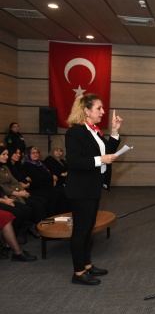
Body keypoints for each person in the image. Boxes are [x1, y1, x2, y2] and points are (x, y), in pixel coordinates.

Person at [65, 93, 122, 286]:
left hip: (92, 187)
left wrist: (114, 131)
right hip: (80, 189)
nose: (103, 112)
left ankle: (87, 265)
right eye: (99, 108)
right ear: (86, 111)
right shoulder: (75, 132)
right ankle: (78, 272)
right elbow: (73, 161)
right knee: (80, 231)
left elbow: (107, 151)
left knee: (89, 229)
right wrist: (100, 160)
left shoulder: (94, 131)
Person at [23, 146, 68, 215]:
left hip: (46, 185)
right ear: (28, 154)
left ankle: (62, 215)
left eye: (37, 153)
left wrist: (51, 176)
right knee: (55, 195)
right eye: (32, 153)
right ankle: (52, 216)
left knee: (63, 192)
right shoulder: (27, 164)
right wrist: (51, 177)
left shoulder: (40, 163)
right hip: (37, 188)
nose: (35, 154)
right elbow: (39, 177)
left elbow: (49, 173)